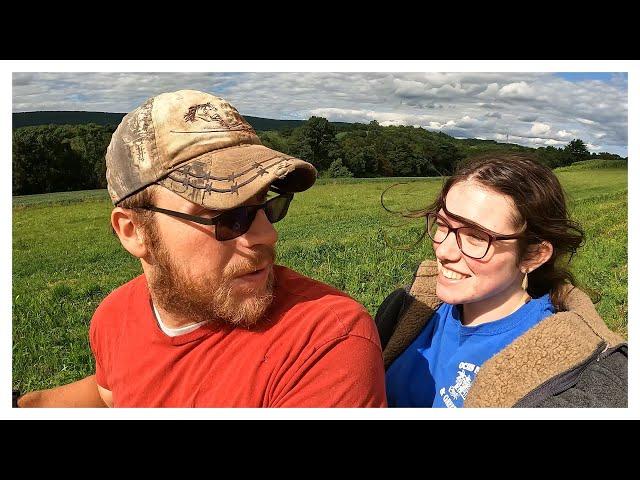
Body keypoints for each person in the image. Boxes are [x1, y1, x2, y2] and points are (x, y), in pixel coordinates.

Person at [15, 89, 386, 408]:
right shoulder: (115, 317)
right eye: (228, 216)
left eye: (268, 206)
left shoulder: (323, 340)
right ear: (133, 231)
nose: (266, 235)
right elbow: (113, 395)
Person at [376, 153, 627, 407]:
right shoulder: (405, 309)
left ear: (533, 255)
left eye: (475, 236)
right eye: (442, 225)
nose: (444, 251)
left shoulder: (567, 381)